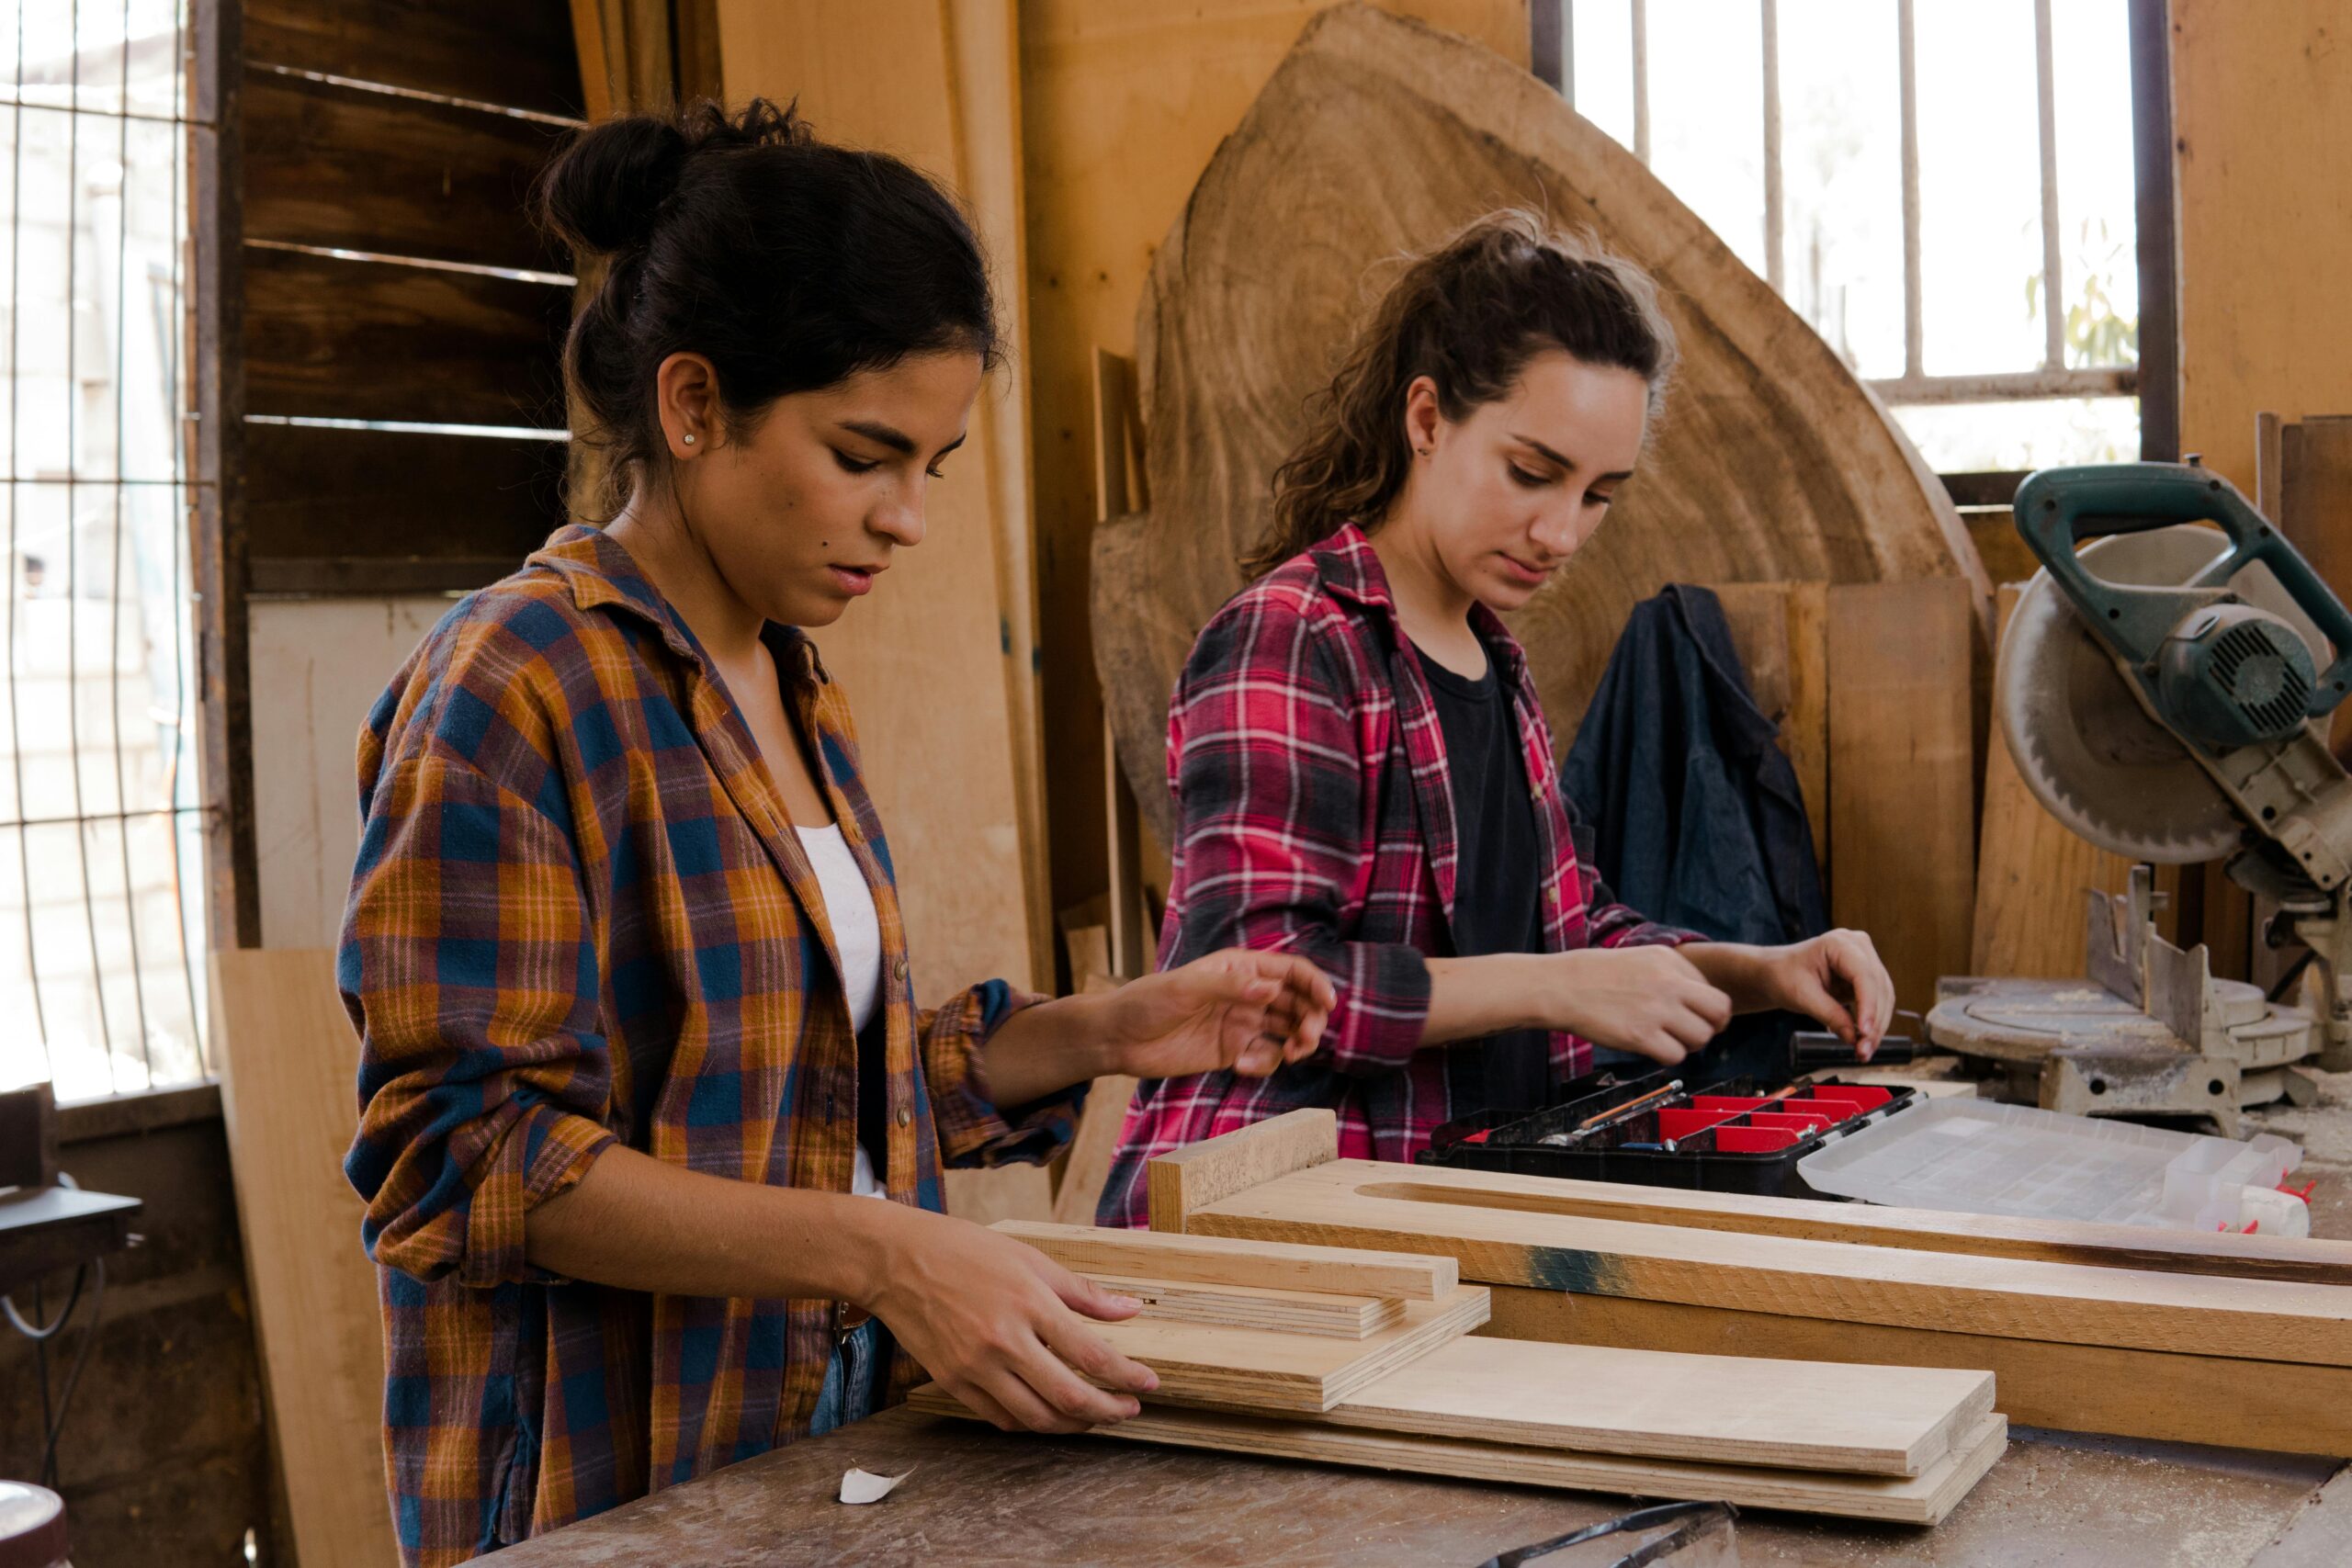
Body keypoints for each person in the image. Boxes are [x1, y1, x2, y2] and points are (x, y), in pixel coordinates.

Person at [338, 100, 1334, 1565]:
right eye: (866, 454)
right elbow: (466, 1152)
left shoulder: (795, 682)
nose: (907, 518)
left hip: (822, 1436)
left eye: (932, 464)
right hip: (613, 1472)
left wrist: (1104, 1028)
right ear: (691, 406)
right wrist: (887, 1254)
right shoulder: (516, 681)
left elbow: (804, 1092)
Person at [1099, 211, 1893, 1229]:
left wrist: (1764, 970)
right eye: (1531, 472)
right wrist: (1553, 988)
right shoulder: (1295, 640)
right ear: (1425, 419)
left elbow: (1572, 929)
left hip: (1452, 1216)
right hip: (1271, 1235)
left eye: (1599, 494)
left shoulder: (1493, 662)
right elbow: (1255, 997)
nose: (1561, 533)